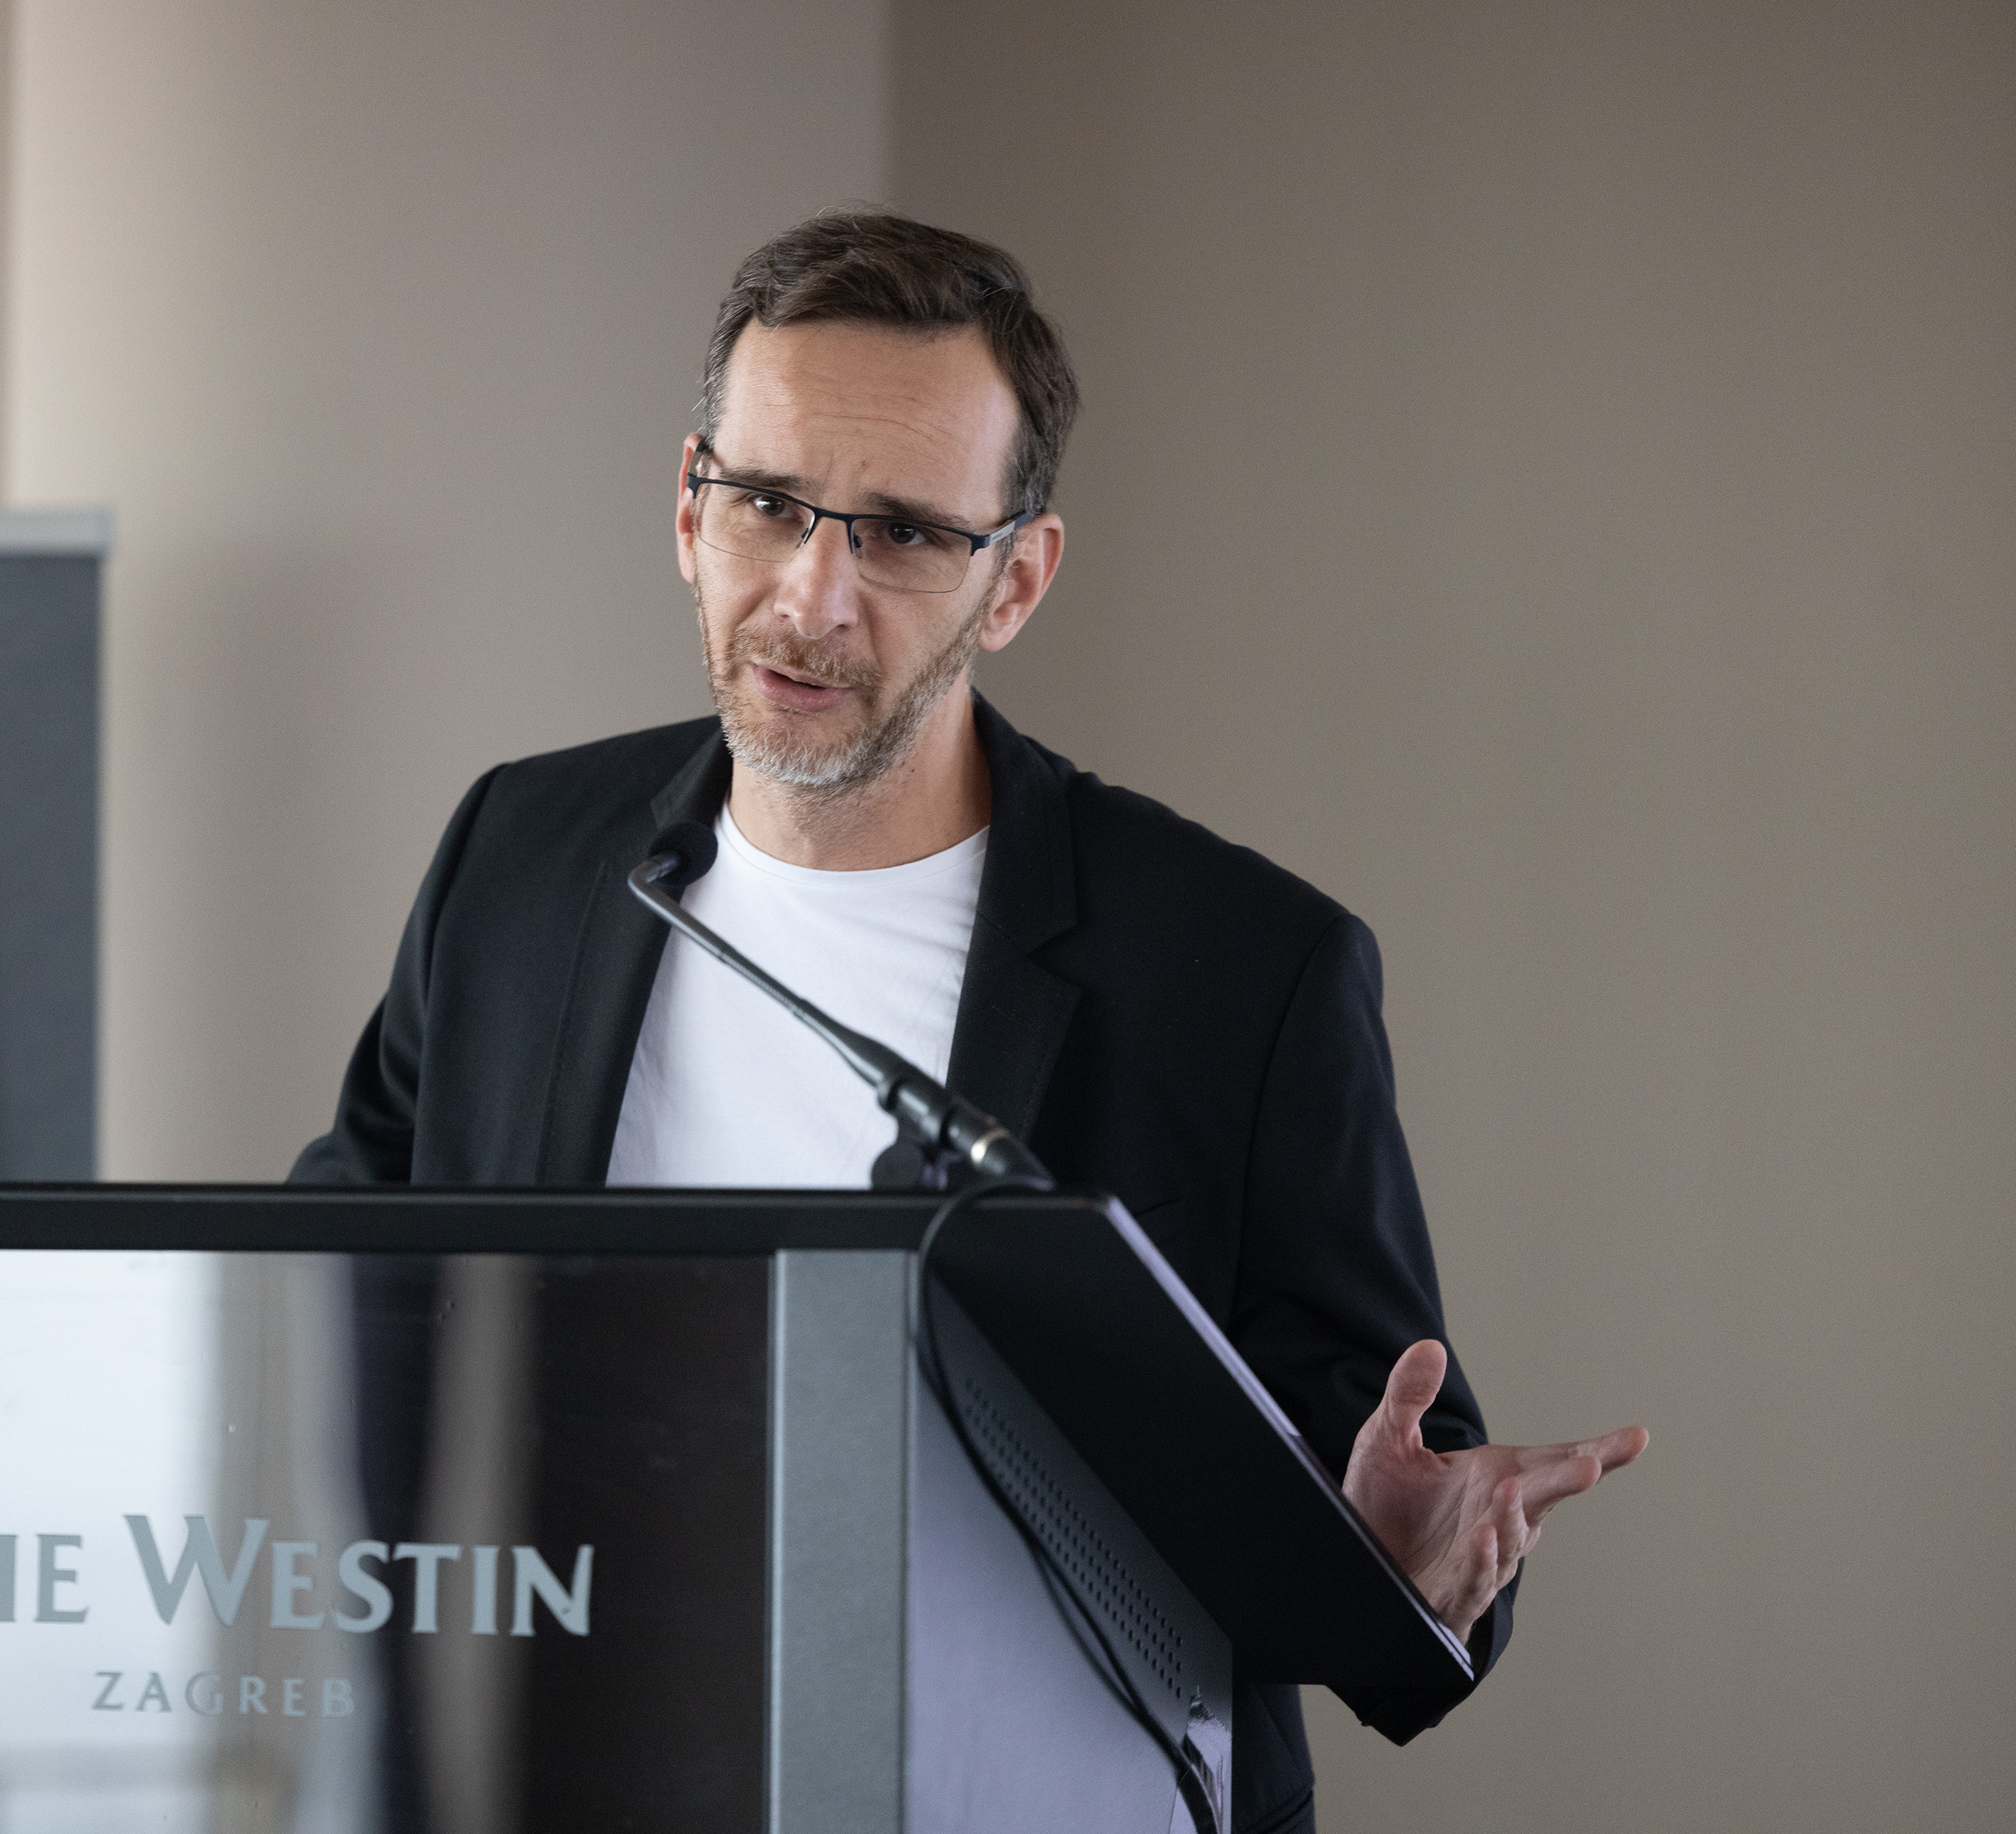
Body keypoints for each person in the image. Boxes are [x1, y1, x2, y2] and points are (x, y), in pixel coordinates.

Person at [286, 211, 1646, 1828]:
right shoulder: (519, 858)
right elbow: (326, 1289)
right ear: (689, 505)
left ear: (1017, 581)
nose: (814, 595)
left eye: (904, 533)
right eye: (771, 504)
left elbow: (1395, 1511)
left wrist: (1402, 1571)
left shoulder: (1240, 970)